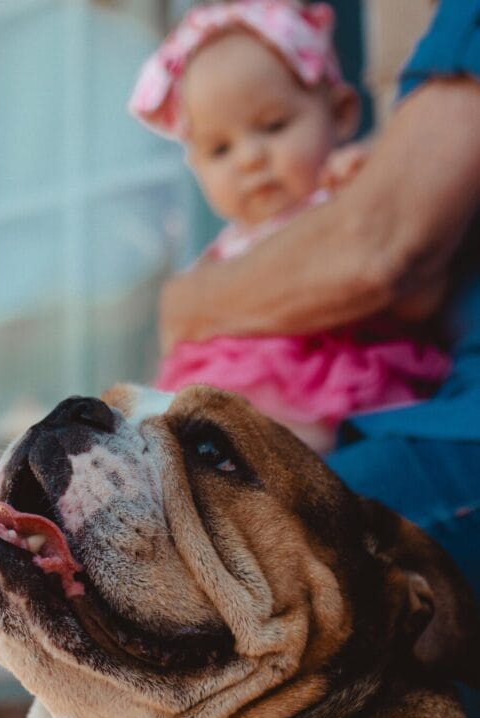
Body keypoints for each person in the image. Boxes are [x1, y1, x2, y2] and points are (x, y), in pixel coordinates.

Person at [129, 0, 450, 452]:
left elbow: (417, 291)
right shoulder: (222, 255)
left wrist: (363, 180)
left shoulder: (351, 195)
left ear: (340, 113)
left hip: (338, 400)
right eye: (220, 149)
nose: (249, 158)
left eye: (274, 125)